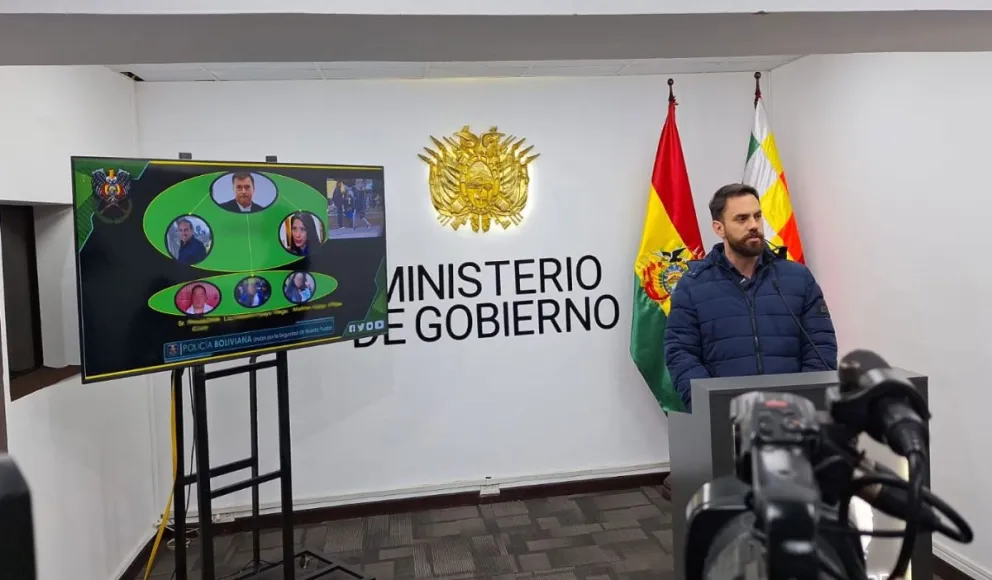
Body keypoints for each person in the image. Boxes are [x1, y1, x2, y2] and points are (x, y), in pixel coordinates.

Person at [665, 183, 838, 412]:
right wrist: (712, 407)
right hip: (726, 423)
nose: (754, 225)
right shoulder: (693, 285)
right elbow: (680, 354)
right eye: (741, 219)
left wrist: (804, 403)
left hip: (794, 421)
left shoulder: (797, 278)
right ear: (719, 228)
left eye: (757, 216)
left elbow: (821, 345)